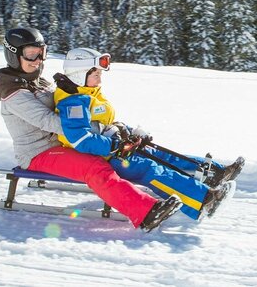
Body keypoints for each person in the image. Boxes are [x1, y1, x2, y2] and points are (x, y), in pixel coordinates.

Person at [0, 27, 183, 232]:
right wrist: (91, 129)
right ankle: (145, 212)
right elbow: (49, 121)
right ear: (14, 54)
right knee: (94, 167)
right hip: (38, 153)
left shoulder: (38, 82)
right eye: (30, 54)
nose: (38, 59)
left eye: (41, 52)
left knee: (118, 157)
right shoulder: (13, 93)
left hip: (62, 144)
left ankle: (175, 187)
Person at [53, 47, 245, 221]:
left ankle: (216, 173)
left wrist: (129, 132)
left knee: (159, 154)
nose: (100, 79)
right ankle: (204, 200)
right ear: (79, 74)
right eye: (96, 74)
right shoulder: (73, 103)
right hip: (104, 155)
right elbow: (81, 139)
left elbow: (104, 123)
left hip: (116, 146)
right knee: (150, 168)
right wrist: (116, 146)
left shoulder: (88, 92)